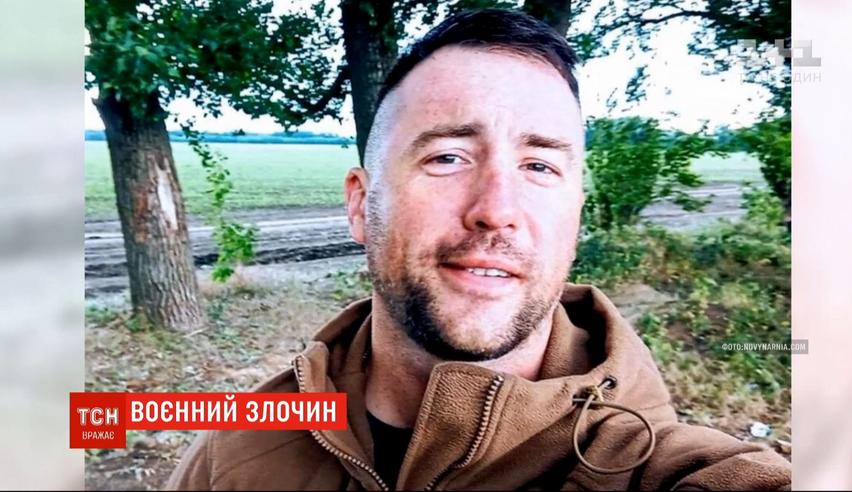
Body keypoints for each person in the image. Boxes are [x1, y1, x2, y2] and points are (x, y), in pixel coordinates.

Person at [166, 9, 791, 490]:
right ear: (360, 204)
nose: (497, 209)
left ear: (575, 213)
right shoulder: (237, 449)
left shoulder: (648, 466)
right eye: (447, 157)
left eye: (540, 166)